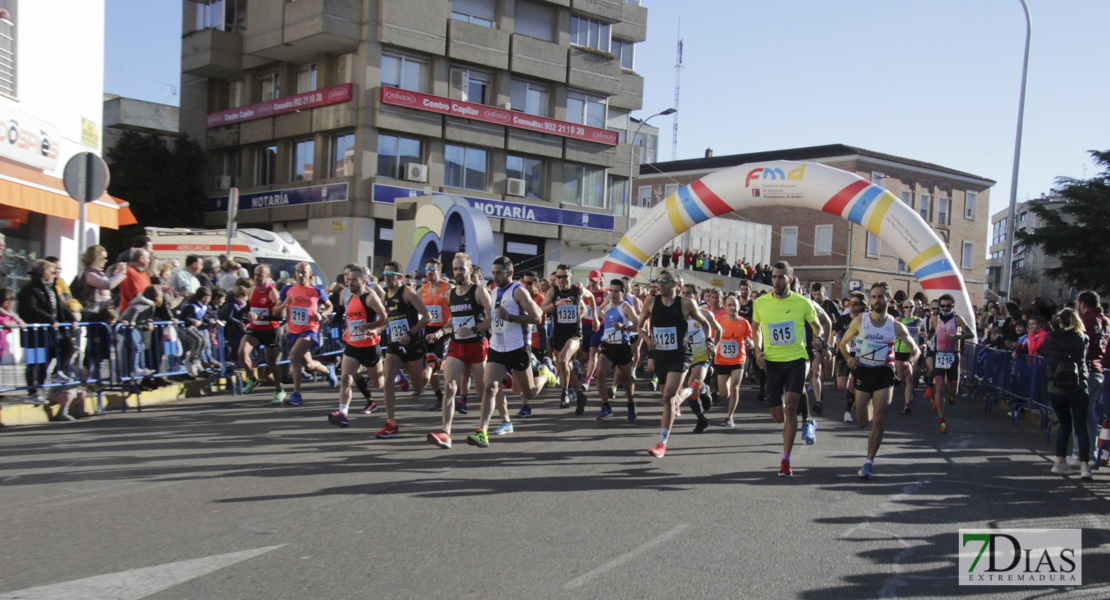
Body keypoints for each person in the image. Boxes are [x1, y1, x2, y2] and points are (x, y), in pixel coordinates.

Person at [839, 282, 920, 479]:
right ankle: (868, 416)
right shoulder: (860, 322)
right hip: (863, 372)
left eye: (880, 297)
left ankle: (868, 462)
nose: (877, 300)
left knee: (880, 417)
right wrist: (849, 358)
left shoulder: (895, 326)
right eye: (873, 297)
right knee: (862, 422)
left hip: (884, 373)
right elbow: (843, 344)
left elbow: (915, 349)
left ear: (889, 299)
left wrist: (910, 361)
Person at [465, 256, 544, 448]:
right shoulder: (493, 291)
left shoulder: (519, 291)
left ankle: (545, 374)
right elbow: (493, 321)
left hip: (518, 348)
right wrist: (474, 329)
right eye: (493, 273)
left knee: (528, 393)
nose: (495, 276)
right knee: (490, 386)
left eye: (499, 273)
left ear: (509, 272)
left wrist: (511, 317)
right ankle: (482, 432)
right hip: (497, 348)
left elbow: (538, 317)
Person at [751, 261, 822, 477]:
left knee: (790, 408)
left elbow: (817, 325)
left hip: (796, 359)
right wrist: (757, 351)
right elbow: (755, 328)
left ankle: (785, 460)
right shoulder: (761, 303)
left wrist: (819, 338)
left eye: (781, 277)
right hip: (773, 362)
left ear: (789, 279)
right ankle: (808, 415)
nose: (776, 281)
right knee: (778, 416)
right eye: (773, 277)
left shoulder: (803, 303)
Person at [636, 269, 712, 458]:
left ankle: (662, 443)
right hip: (661, 355)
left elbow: (705, 323)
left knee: (669, 396)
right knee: (668, 399)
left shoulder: (686, 303)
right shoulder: (651, 302)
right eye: (657, 281)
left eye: (664, 281)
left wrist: (709, 341)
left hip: (680, 355)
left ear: (675, 285)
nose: (659, 284)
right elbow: (640, 327)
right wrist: (647, 340)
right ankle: (695, 389)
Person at [427, 253, 492, 448]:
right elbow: (452, 320)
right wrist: (439, 333)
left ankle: (483, 431)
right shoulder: (451, 294)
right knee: (449, 387)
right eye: (455, 269)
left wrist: (473, 329)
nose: (458, 272)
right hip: (457, 346)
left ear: (469, 271)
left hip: (477, 346)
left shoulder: (479, 291)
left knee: (484, 392)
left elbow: (492, 319)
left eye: (461, 268)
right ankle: (446, 433)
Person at [375, 261, 432, 439]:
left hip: (413, 345)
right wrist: (373, 329)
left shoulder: (408, 293)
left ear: (399, 277)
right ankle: (391, 423)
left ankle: (431, 366)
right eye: (384, 274)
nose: (386, 278)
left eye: (390, 275)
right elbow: (388, 320)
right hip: (395, 345)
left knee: (419, 387)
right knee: (388, 380)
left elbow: (427, 317)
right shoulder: (385, 296)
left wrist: (409, 333)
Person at [327, 266, 388, 428]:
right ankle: (343, 413)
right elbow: (351, 319)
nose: (350, 282)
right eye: (349, 279)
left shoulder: (369, 299)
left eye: (354, 279)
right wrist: (347, 330)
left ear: (363, 281)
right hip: (352, 346)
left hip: (370, 346)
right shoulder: (348, 299)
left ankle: (395, 376)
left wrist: (371, 327)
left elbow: (385, 318)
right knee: (346, 379)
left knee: (378, 384)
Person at [272, 262, 338, 407]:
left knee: (294, 356)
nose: (301, 275)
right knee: (308, 365)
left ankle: (296, 394)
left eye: (304, 272)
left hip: (309, 330)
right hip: (293, 331)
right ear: (295, 273)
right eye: (298, 272)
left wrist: (321, 314)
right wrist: (284, 304)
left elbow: (329, 306)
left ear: (309, 274)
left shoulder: (316, 291)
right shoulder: (287, 290)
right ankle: (327, 369)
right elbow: (275, 311)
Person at [1042, 308, 1093, 479]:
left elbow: (1044, 354)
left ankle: (1060, 462)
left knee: (1064, 424)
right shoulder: (1082, 338)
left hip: (1055, 386)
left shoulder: (1050, 338)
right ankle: (1085, 466)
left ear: (1060, 321)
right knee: (1081, 427)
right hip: (1077, 385)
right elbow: (1085, 357)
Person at [18, 260, 77, 398]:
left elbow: (60, 306)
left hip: (50, 334)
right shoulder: (30, 289)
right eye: (51, 271)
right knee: (35, 363)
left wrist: (72, 319)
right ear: (43, 272)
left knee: (67, 345)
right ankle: (34, 391)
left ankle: (56, 373)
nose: (54, 274)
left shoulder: (50, 288)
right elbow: (30, 309)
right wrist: (49, 319)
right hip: (35, 334)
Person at [542, 264, 592, 411]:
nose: (562, 279)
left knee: (562, 360)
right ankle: (580, 395)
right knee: (566, 366)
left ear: (570, 277)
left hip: (574, 335)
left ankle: (564, 393)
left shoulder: (577, 290)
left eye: (564, 276)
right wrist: (555, 304)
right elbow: (542, 309)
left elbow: (591, 299)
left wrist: (593, 317)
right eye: (559, 277)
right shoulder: (553, 291)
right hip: (558, 335)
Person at [239, 264, 287, 405]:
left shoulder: (272, 292)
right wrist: (247, 315)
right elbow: (249, 309)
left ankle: (279, 389)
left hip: (271, 329)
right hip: (255, 329)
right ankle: (252, 379)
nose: (257, 277)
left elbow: (279, 317)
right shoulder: (250, 291)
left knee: (271, 362)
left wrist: (260, 317)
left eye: (260, 275)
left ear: (267, 276)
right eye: (255, 274)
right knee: (242, 352)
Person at [595, 279, 639, 422]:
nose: (612, 294)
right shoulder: (608, 305)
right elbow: (600, 311)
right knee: (600, 373)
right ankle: (605, 407)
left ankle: (631, 403)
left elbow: (638, 325)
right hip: (608, 346)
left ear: (623, 292)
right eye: (611, 290)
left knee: (625, 381)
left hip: (622, 348)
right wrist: (604, 320)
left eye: (616, 291)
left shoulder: (626, 307)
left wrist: (624, 327)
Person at [929, 294, 974, 433]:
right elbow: (932, 332)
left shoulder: (958, 319)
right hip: (939, 355)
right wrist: (927, 339)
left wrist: (957, 337)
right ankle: (942, 421)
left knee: (952, 389)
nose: (945, 308)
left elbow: (971, 333)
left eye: (948, 306)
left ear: (953, 306)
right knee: (939, 387)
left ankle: (953, 395)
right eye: (942, 306)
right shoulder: (935, 319)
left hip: (953, 356)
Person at [1075, 291, 1108, 466]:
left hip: (1086, 370)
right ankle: (1090, 452)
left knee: (1081, 413)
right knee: (1090, 414)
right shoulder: (1106, 321)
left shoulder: (1086, 320)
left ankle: (1081, 453)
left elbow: (1080, 345)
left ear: (1082, 304)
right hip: (1099, 369)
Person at [420, 258, 454, 411]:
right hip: (428, 330)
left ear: (439, 271)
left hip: (445, 329)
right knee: (429, 363)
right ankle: (439, 397)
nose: (429, 272)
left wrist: (444, 330)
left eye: (433, 269)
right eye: (427, 269)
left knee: (435, 363)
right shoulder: (422, 290)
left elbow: (457, 311)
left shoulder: (448, 288)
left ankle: (457, 394)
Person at [717, 294, 753, 427]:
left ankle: (729, 416)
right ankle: (728, 406)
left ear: (739, 307)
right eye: (729, 305)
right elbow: (713, 338)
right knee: (724, 393)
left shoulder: (744, 323)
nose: (732, 308)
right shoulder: (719, 322)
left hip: (738, 360)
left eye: (735, 305)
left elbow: (750, 339)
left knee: (735, 388)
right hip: (722, 360)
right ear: (725, 307)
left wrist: (750, 343)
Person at [895, 299, 925, 414]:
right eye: (906, 307)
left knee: (909, 378)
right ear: (903, 308)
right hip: (900, 351)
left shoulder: (918, 320)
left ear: (914, 308)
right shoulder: (899, 320)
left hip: (912, 352)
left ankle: (907, 404)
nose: (909, 309)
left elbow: (920, 333)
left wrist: (922, 336)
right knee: (901, 377)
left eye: (911, 307)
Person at [582, 269, 607, 395]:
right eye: (591, 280)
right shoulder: (584, 292)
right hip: (584, 326)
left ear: (601, 280)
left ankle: (587, 380)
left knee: (593, 353)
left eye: (595, 280)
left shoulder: (605, 295)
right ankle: (588, 367)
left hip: (597, 328)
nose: (593, 283)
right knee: (585, 355)